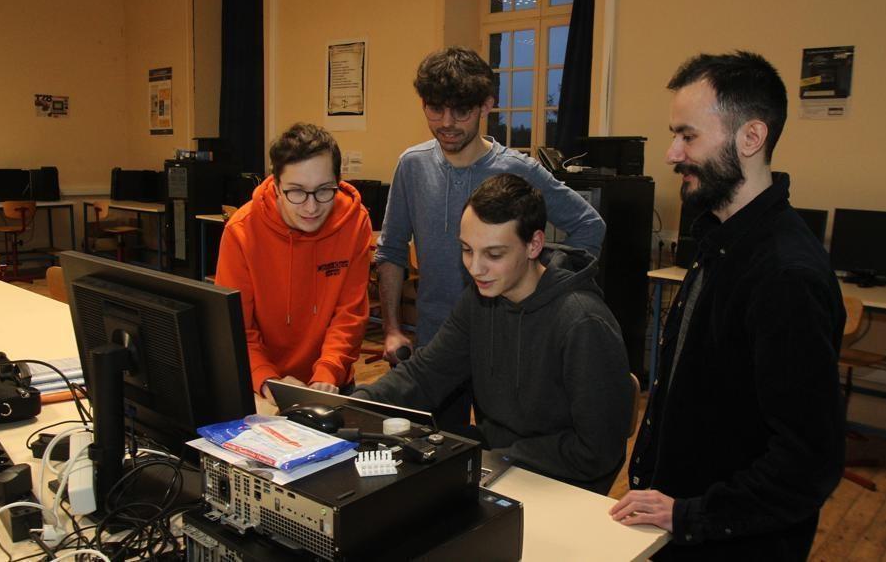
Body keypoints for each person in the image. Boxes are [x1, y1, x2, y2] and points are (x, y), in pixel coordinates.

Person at [609, 51, 845, 559]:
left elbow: (808, 463)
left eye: (688, 136)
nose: (672, 153)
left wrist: (691, 515)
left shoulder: (785, 276)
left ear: (751, 138)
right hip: (681, 526)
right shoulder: (721, 241)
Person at [354, 174, 631, 493]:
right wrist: (350, 404)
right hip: (499, 464)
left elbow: (598, 451)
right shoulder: (480, 300)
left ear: (534, 245)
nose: (475, 268)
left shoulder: (583, 322)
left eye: (494, 255)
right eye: (467, 250)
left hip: (560, 484)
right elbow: (426, 373)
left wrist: (499, 460)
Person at [375, 46, 606, 426]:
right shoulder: (412, 166)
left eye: (461, 111)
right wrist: (393, 330)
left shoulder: (519, 170)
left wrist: (542, 296)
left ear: (486, 106)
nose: (447, 122)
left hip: (505, 347)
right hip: (436, 346)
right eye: (435, 109)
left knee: (502, 458)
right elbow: (392, 251)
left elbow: (589, 227)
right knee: (435, 454)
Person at [215, 123, 372, 401]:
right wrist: (267, 379)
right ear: (276, 186)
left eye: (324, 191)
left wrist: (327, 372)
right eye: (296, 192)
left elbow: (350, 314)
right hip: (262, 386)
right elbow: (238, 328)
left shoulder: (355, 222)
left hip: (331, 381)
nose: (311, 207)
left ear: (338, 181)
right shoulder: (241, 231)